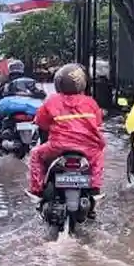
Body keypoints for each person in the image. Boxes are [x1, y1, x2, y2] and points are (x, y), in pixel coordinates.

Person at [27, 63, 106, 198]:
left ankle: (37, 190)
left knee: (35, 154)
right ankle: (94, 189)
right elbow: (98, 124)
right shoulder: (91, 102)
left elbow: (41, 122)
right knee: (98, 158)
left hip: (58, 146)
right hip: (89, 148)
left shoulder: (51, 101)